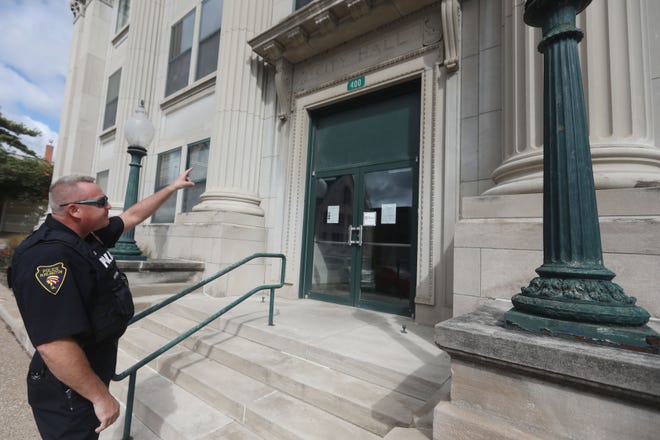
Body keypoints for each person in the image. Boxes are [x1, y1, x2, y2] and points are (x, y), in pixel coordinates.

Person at [8, 168, 195, 439]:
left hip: (91, 364)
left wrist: (172, 187)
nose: (108, 206)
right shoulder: (47, 256)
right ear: (74, 210)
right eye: (101, 202)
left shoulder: (86, 234)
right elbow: (54, 344)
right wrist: (100, 397)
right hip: (70, 387)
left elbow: (132, 215)